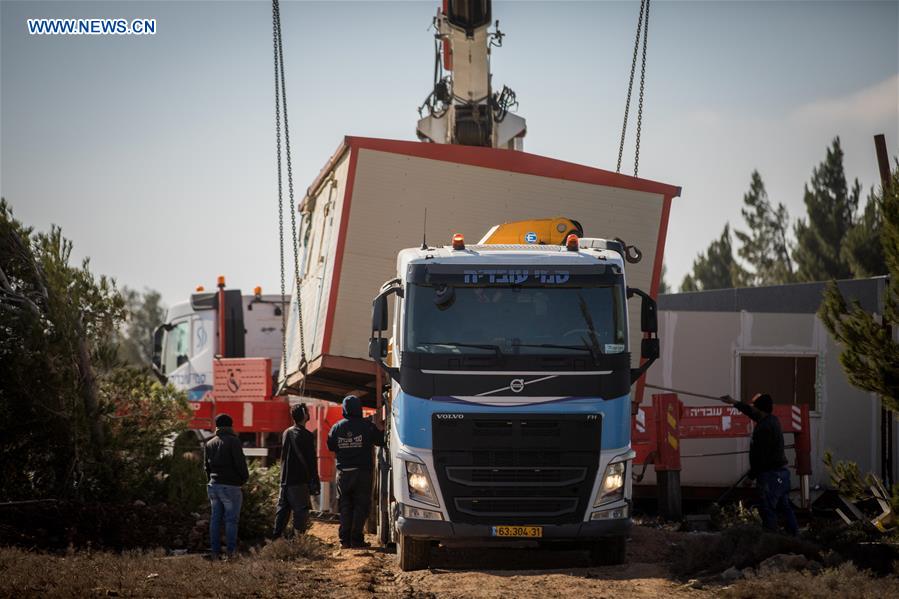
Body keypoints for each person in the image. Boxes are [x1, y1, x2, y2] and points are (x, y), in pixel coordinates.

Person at [719, 393, 799, 535]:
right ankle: (794, 536)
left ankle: (770, 539)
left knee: (768, 509)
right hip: (781, 474)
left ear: (759, 409)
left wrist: (751, 477)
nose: (753, 408)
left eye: (754, 406)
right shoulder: (771, 420)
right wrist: (734, 402)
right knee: (784, 507)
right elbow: (750, 412)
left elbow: (761, 457)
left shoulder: (763, 428)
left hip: (770, 475)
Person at [327, 395, 384, 548]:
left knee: (345, 505)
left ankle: (344, 540)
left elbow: (331, 445)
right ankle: (356, 540)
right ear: (358, 408)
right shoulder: (367, 426)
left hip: (344, 474)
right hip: (362, 473)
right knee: (361, 506)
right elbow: (381, 440)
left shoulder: (337, 427)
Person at [203, 413, 250, 559]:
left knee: (215, 520)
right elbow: (240, 464)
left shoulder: (209, 443)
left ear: (216, 426)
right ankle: (231, 553)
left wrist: (211, 480)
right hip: (230, 486)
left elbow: (206, 467)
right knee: (231, 520)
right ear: (231, 425)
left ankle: (215, 552)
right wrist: (244, 479)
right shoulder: (233, 441)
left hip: (213, 486)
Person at [272, 403, 321, 537]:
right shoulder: (307, 436)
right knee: (300, 512)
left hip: (284, 480)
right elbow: (311, 461)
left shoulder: (286, 433)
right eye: (307, 412)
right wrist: (315, 481)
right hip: (299, 481)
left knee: (282, 512)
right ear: (304, 415)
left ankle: (276, 539)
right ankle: (297, 541)